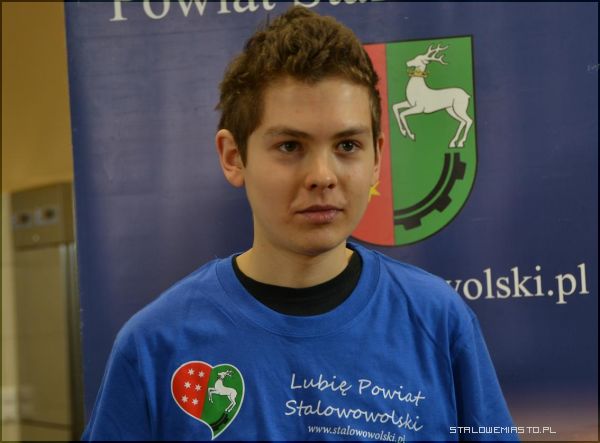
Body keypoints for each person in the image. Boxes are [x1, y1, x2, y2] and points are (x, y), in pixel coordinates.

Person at [82, 6, 518, 442]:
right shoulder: (154, 346)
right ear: (233, 157)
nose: (322, 176)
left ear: (377, 158)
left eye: (347, 145)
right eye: (290, 146)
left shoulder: (439, 321)